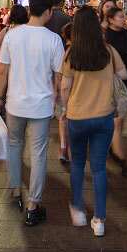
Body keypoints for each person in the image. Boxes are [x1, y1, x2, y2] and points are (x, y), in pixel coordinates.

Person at [0, 0, 65, 227]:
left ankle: (15, 191)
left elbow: (2, 70)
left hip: (15, 103)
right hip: (41, 106)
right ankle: (33, 206)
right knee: (38, 154)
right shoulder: (54, 39)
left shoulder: (13, 35)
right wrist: (59, 99)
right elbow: (59, 76)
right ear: (48, 12)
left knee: (14, 146)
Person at [60, 6, 126, 237]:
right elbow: (124, 75)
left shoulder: (71, 54)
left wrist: (63, 108)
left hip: (77, 117)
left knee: (77, 164)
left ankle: (77, 209)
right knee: (99, 168)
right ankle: (99, 220)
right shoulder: (107, 51)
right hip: (103, 117)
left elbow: (65, 86)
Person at [104, 6, 127, 175]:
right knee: (117, 121)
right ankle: (120, 158)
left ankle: (112, 145)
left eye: (123, 16)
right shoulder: (105, 37)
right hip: (113, 81)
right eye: (119, 16)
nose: (123, 19)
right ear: (110, 19)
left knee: (120, 120)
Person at [58, 22, 73, 165]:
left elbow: (61, 77)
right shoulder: (73, 51)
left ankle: (64, 148)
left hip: (67, 92)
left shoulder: (66, 51)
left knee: (63, 119)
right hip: (75, 93)